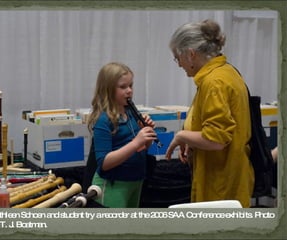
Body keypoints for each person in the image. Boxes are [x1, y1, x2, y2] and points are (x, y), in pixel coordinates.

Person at [165, 19, 254, 208]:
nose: (178, 64)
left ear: (190, 54)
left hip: (220, 181)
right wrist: (191, 139)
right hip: (230, 174)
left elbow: (216, 139)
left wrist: (181, 136)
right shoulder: (227, 71)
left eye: (177, 57)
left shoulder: (214, 82)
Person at [87, 62, 157, 208]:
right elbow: (104, 163)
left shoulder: (131, 113)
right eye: (123, 87)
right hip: (113, 185)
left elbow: (142, 148)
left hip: (135, 180)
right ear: (108, 89)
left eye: (131, 85)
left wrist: (147, 135)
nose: (129, 91)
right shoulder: (103, 120)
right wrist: (136, 142)